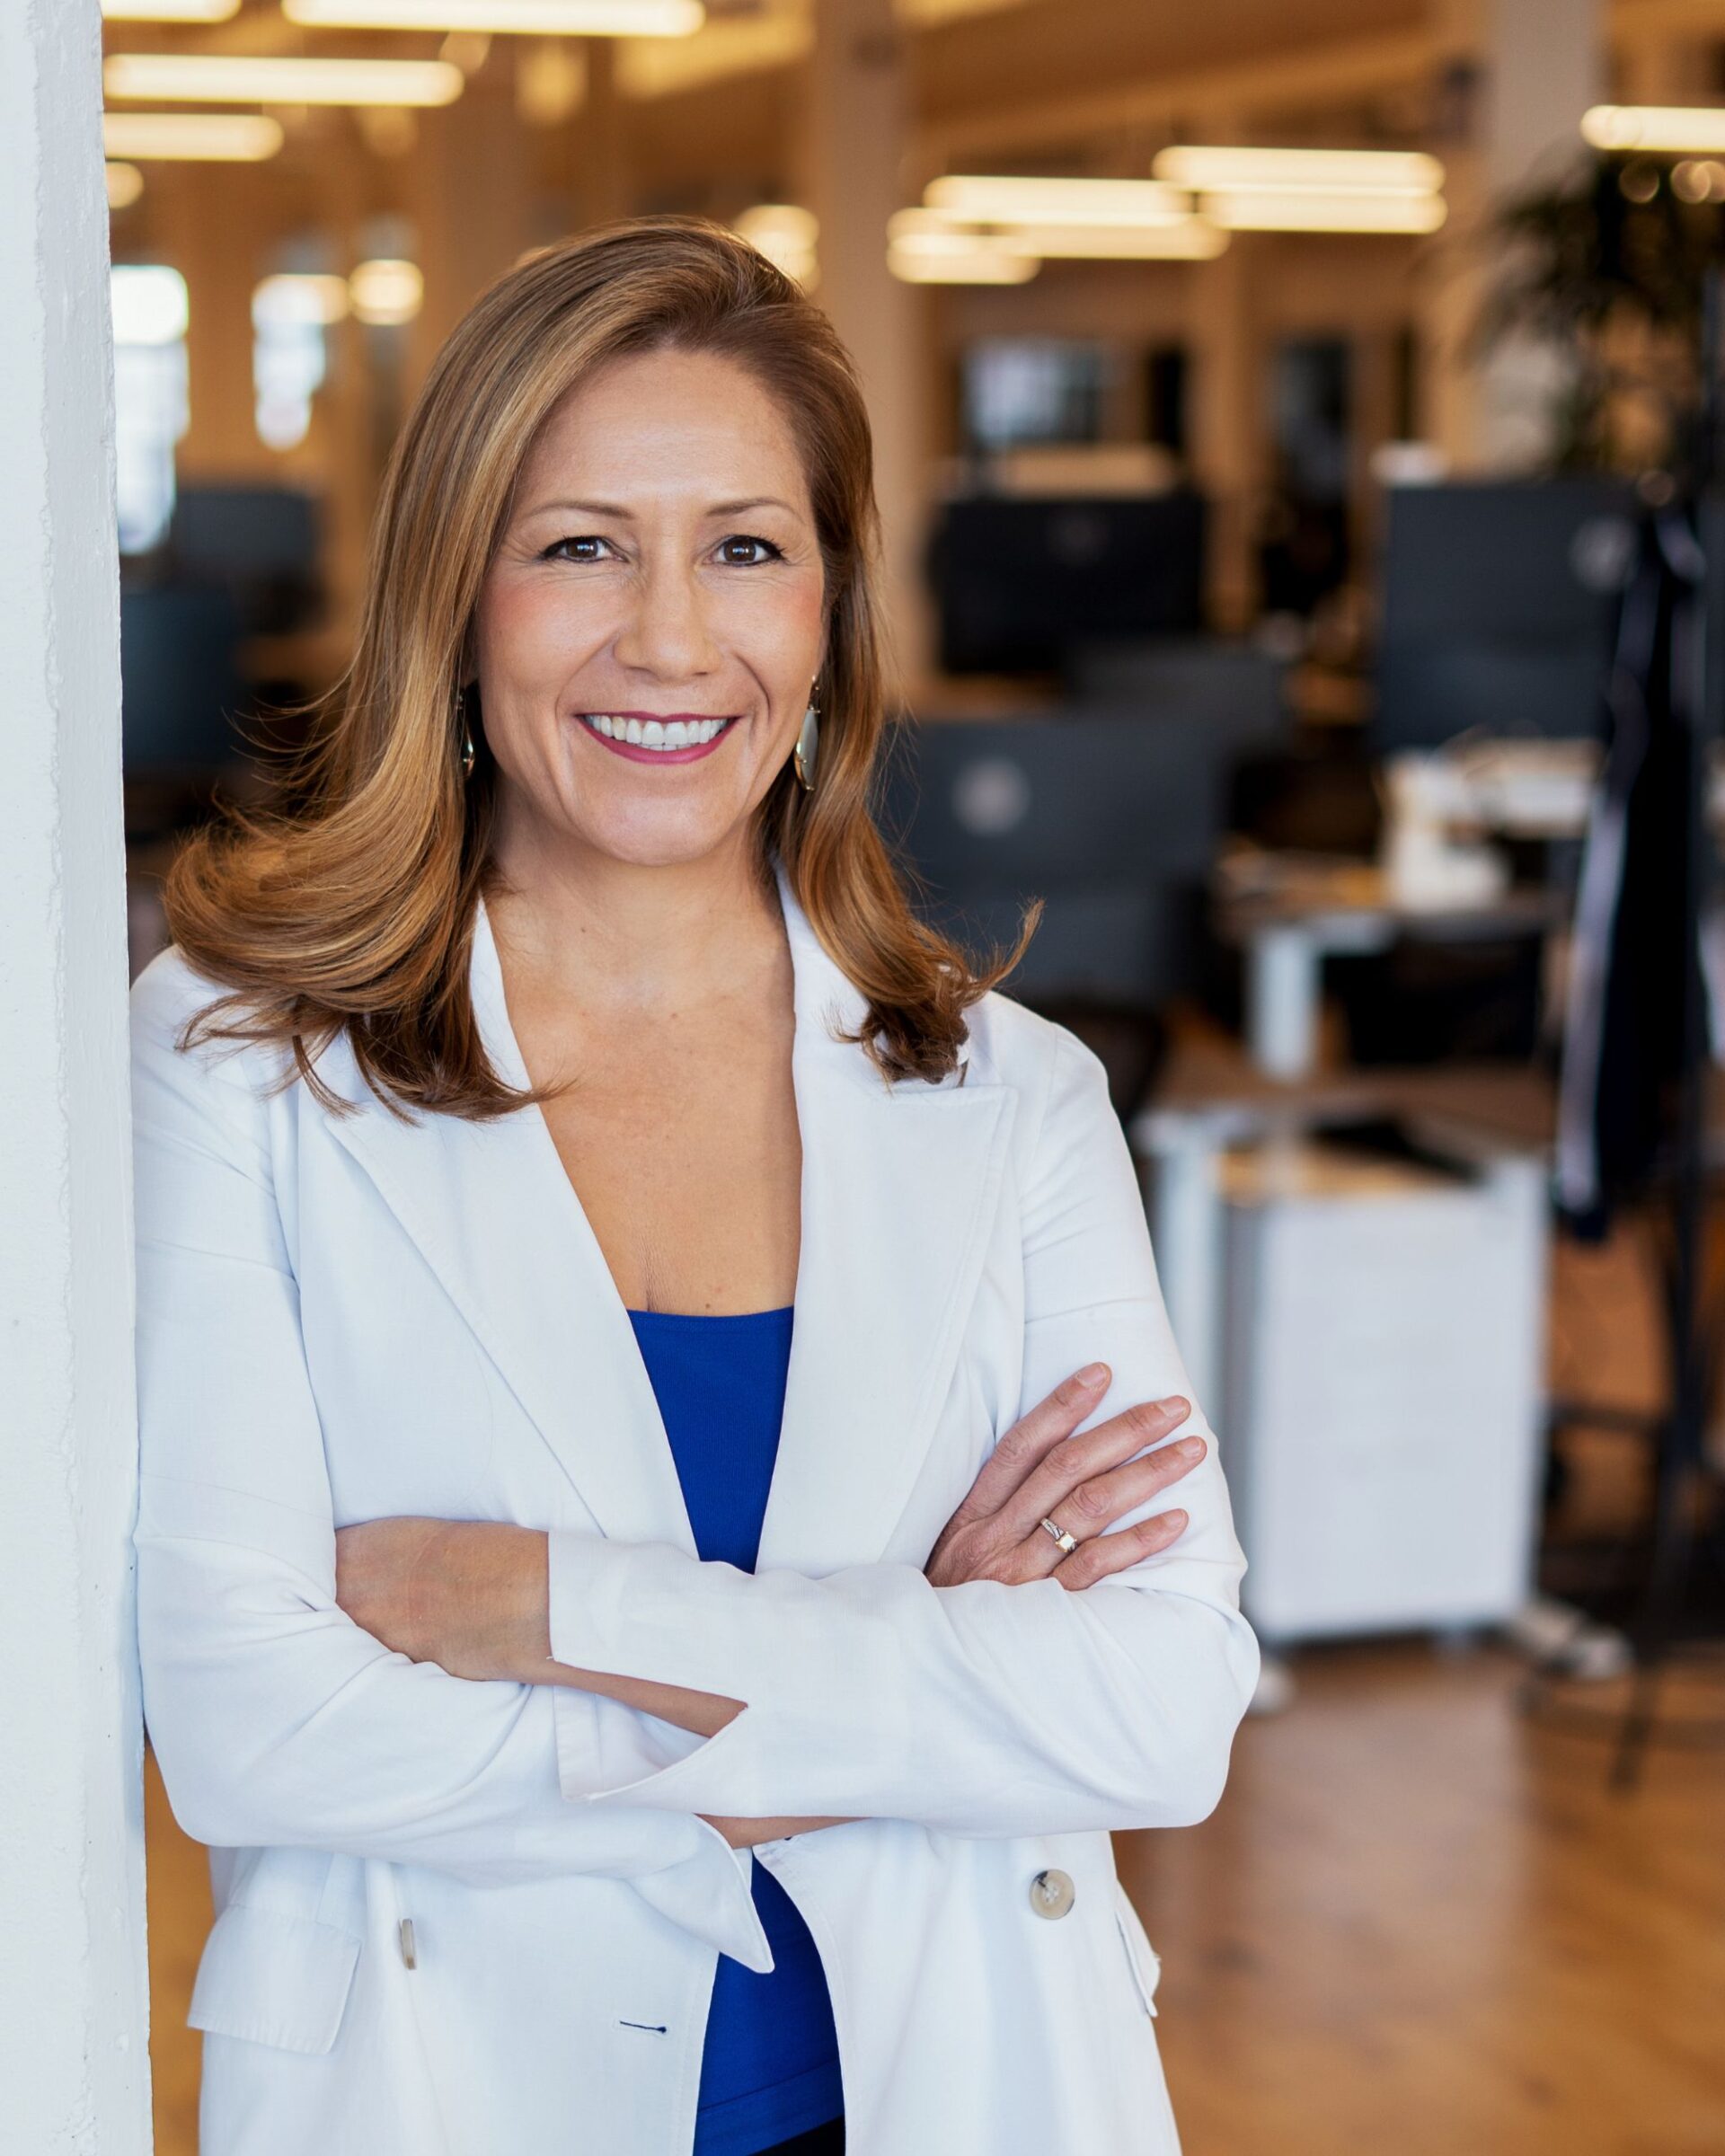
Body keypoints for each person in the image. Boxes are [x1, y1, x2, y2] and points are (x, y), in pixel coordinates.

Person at [129, 215, 1259, 2156]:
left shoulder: (1012, 1094)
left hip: (963, 2082)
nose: (672, 639)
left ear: (828, 613)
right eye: (580, 545)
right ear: (454, 596)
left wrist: (538, 1602)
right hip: (451, 2094)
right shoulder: (243, 1054)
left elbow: (1161, 1708)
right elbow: (253, 1728)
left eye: (747, 546)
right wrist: (904, 1668)